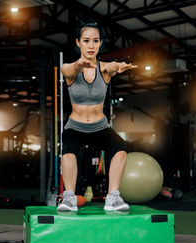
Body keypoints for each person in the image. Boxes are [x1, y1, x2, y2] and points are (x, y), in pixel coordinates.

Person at [58, 19, 137, 211]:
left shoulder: (104, 69)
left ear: (100, 43)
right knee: (68, 149)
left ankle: (113, 198)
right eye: (86, 41)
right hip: (75, 127)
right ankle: (68, 198)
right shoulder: (69, 69)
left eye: (95, 41)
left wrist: (120, 66)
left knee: (120, 147)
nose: (91, 45)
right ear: (78, 43)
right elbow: (67, 69)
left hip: (100, 127)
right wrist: (79, 65)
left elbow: (112, 66)